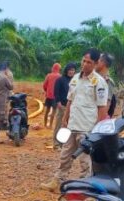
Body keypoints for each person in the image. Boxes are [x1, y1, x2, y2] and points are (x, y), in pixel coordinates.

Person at [40, 49, 109, 192]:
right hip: (73, 124)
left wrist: (99, 128)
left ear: (95, 64)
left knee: (85, 159)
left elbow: (102, 107)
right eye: (84, 61)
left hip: (87, 127)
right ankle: (57, 181)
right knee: (65, 155)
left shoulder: (99, 82)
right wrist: (65, 118)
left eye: (89, 62)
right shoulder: (76, 78)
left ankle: (85, 186)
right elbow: (70, 100)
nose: (85, 64)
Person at [52, 62, 77, 149]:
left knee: (68, 126)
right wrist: (58, 103)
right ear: (66, 70)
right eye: (70, 70)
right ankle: (56, 144)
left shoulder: (75, 81)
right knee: (59, 125)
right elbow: (56, 92)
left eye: (73, 70)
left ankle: (64, 143)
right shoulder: (60, 80)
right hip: (62, 106)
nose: (71, 72)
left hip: (72, 108)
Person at [96, 53, 116, 117]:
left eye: (97, 60)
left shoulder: (108, 81)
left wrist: (98, 121)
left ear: (103, 63)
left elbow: (107, 103)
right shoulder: (95, 78)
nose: (95, 63)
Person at [42, 63, 62, 129]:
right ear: (59, 69)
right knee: (54, 111)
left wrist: (47, 91)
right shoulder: (59, 76)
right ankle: (50, 125)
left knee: (47, 110)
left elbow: (44, 85)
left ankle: (44, 125)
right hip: (55, 97)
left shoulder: (48, 75)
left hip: (48, 96)